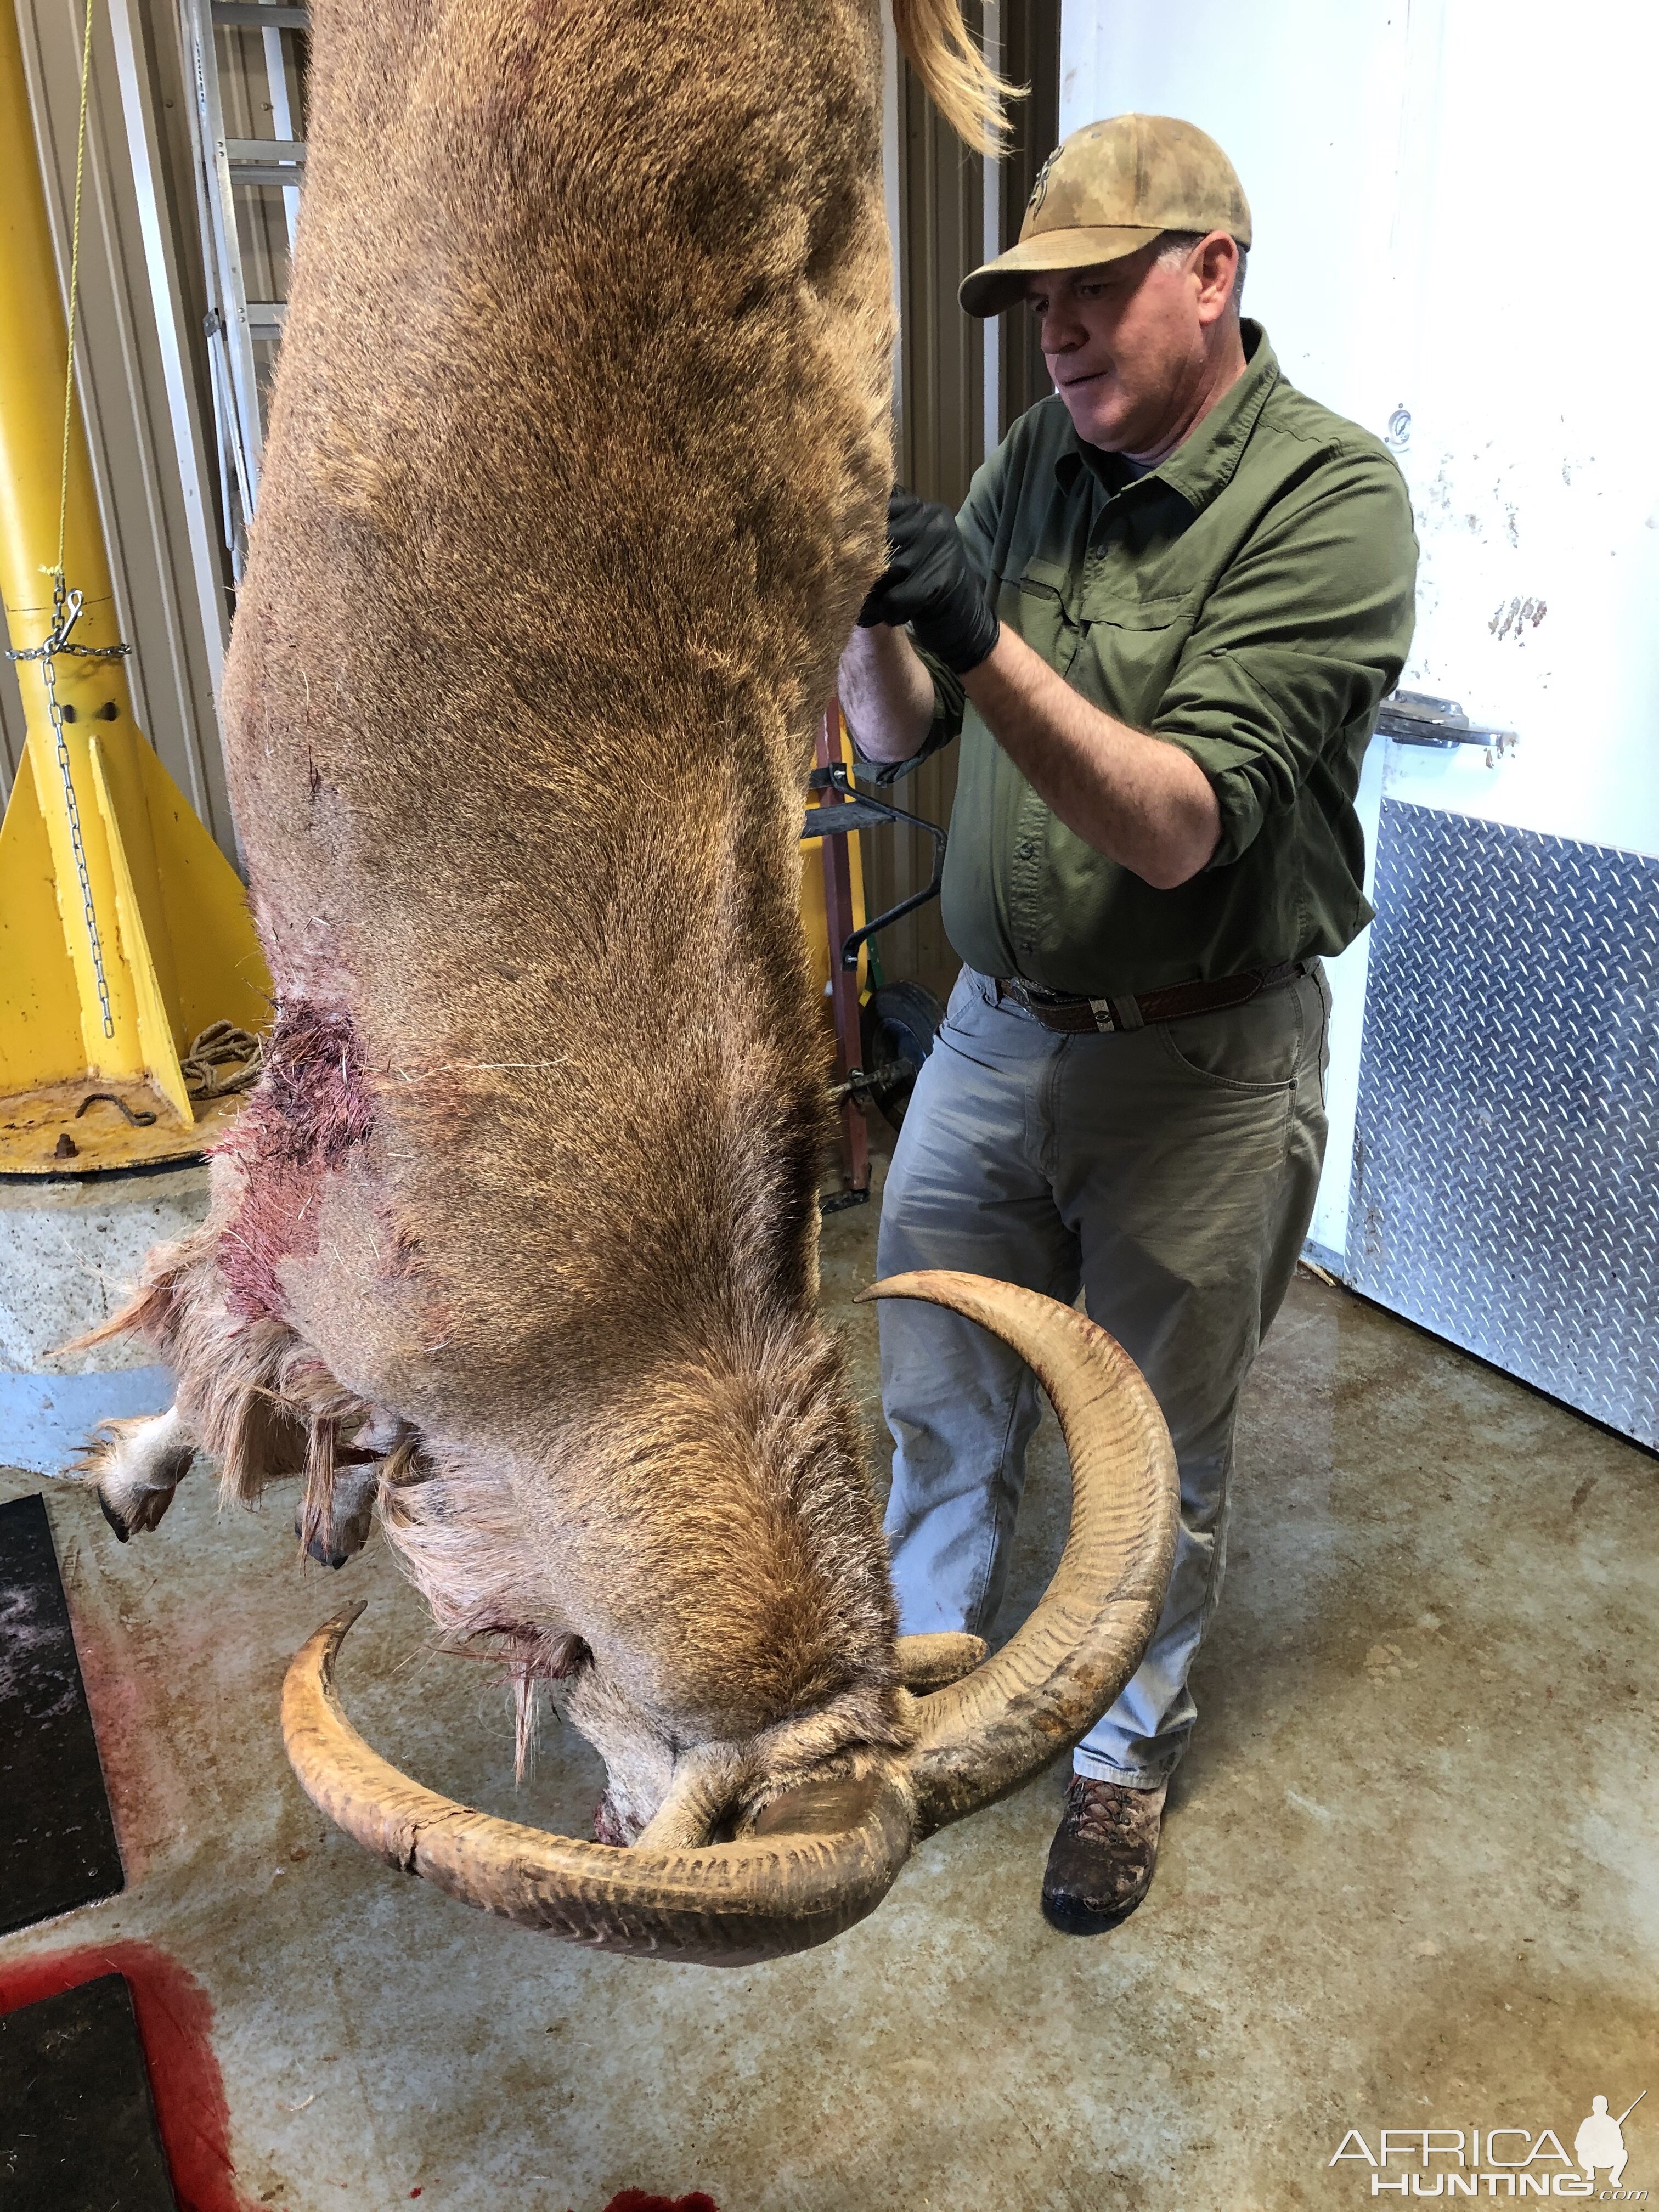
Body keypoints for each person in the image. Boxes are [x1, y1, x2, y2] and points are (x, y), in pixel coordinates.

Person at [839, 112, 1418, 1933]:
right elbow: (892, 733)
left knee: (1148, 1447)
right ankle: (930, 1707)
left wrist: (982, 634)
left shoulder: (1330, 502)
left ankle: (1115, 1758)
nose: (1060, 334)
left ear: (1212, 275)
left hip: (1198, 1061)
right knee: (937, 1391)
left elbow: (1177, 827)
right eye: (1039, 305)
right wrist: (866, 609)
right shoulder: (1043, 458)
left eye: (1096, 291)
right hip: (996, 1036)